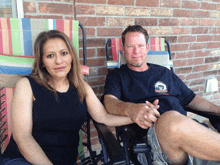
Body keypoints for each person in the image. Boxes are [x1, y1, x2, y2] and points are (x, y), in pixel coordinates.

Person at [1, 30, 134, 165]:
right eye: (50, 55)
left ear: (71, 56)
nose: (59, 61)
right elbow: (22, 137)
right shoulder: (26, 85)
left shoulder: (82, 87)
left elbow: (104, 117)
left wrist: (137, 116)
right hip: (22, 159)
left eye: (64, 53)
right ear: (42, 62)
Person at [103, 25, 220, 165]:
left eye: (140, 46)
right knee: (170, 120)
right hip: (152, 143)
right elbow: (109, 101)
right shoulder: (117, 76)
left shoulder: (164, 72)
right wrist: (131, 109)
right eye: (130, 46)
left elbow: (191, 98)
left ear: (147, 48)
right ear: (123, 49)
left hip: (189, 131)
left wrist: (217, 110)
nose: (136, 51)